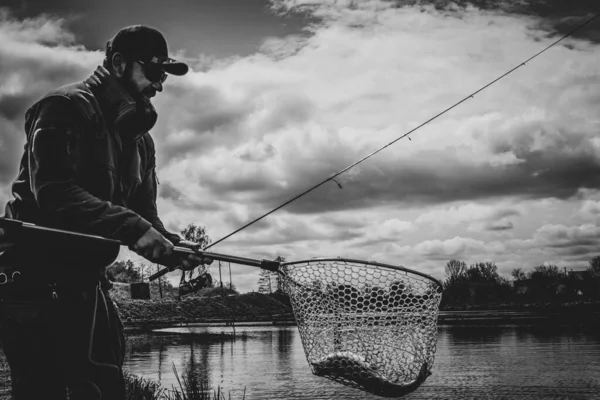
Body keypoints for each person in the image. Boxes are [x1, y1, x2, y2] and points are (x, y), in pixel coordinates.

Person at [0, 25, 210, 400]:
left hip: (87, 282)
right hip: (31, 280)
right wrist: (136, 230)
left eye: (164, 76)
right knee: (40, 390)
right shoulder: (62, 108)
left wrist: (172, 245)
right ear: (118, 63)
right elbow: (53, 193)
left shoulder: (142, 142)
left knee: (104, 385)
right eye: (154, 72)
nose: (159, 84)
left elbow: (144, 214)